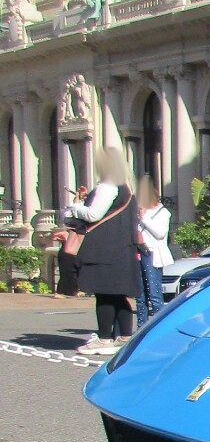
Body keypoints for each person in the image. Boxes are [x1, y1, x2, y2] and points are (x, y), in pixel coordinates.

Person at [65, 146, 139, 356]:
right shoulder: (127, 188)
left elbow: (93, 214)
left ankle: (105, 339)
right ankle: (125, 337)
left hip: (103, 249)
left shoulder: (107, 185)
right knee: (118, 295)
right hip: (122, 248)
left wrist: (74, 207)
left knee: (104, 295)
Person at [134, 175, 172, 325]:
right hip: (138, 252)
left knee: (154, 293)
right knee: (140, 295)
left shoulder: (163, 213)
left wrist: (144, 219)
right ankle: (141, 326)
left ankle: (157, 326)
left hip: (152, 253)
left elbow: (160, 233)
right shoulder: (139, 212)